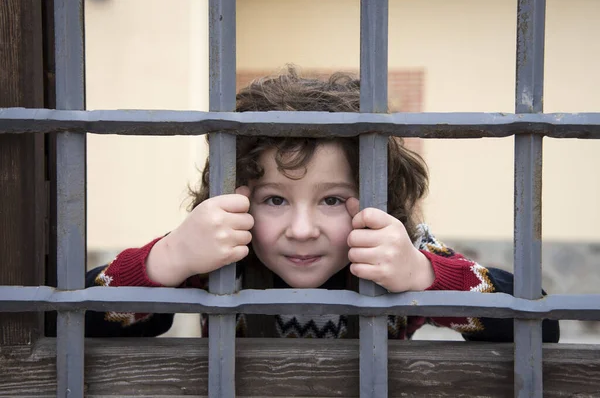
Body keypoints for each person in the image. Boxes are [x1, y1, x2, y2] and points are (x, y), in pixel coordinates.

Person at [85, 67, 560, 341]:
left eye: (332, 199)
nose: (302, 228)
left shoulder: (393, 255)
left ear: (381, 201)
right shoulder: (220, 259)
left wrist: (423, 276)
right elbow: (72, 320)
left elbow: (541, 325)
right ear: (234, 202)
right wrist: (169, 257)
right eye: (274, 199)